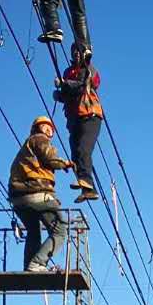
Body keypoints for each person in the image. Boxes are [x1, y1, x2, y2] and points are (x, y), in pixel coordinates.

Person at [8, 116, 73, 272]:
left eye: (51, 128)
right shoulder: (38, 139)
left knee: (33, 231)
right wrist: (65, 163)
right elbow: (49, 158)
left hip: (18, 198)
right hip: (35, 191)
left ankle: (30, 265)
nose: (49, 129)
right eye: (45, 126)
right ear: (37, 128)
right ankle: (37, 263)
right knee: (60, 229)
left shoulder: (28, 147)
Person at [53, 45, 102, 203]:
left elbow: (84, 84)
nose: (76, 54)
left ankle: (86, 181)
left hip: (90, 115)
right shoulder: (68, 72)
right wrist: (59, 94)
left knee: (83, 149)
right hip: (74, 118)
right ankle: (88, 188)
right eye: (74, 51)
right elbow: (70, 93)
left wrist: (64, 84)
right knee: (75, 155)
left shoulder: (88, 69)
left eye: (79, 51)